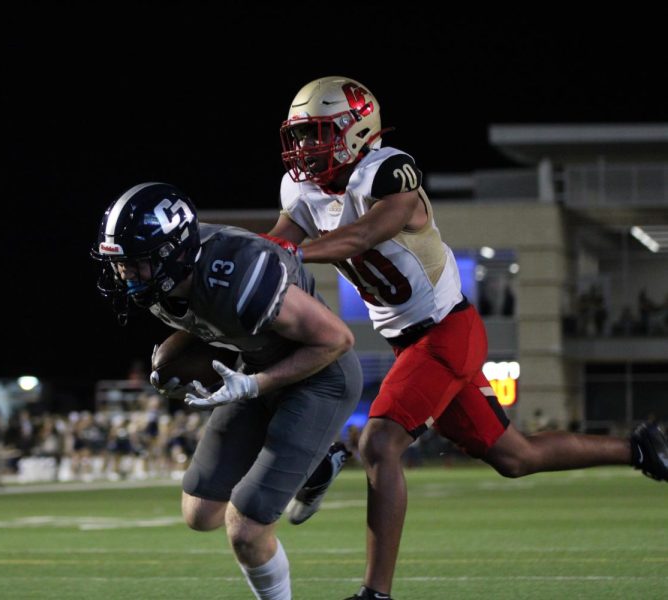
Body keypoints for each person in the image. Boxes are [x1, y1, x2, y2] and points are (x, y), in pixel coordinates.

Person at [265, 75, 668, 600]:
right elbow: (276, 244)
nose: (305, 148)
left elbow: (361, 235)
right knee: (514, 457)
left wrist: (292, 255)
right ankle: (639, 448)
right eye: (299, 135)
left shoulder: (387, 172)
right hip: (409, 342)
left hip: (448, 330)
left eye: (318, 132)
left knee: (381, 442)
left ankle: (375, 593)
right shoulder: (301, 189)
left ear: (357, 129)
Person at [92, 182, 362, 600]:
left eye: (135, 264)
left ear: (170, 253)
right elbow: (209, 325)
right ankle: (318, 464)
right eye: (120, 264)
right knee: (200, 512)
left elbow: (337, 340)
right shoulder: (164, 282)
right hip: (256, 369)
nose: (125, 275)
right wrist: (172, 366)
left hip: (320, 377)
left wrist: (254, 385)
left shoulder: (238, 273)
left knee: (247, 528)